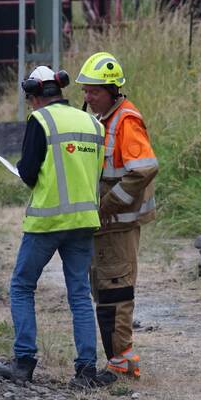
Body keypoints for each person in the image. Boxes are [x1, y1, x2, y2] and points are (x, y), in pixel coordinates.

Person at [0, 66, 117, 390]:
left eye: (30, 100)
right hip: (84, 221)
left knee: (21, 286)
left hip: (47, 221)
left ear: (34, 96)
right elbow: (96, 173)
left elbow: (29, 173)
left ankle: (24, 361)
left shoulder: (40, 121)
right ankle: (86, 369)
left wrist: (23, 172)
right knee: (80, 295)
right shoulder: (93, 123)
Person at [76, 52, 158, 379]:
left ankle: (121, 359)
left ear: (112, 90)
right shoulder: (103, 119)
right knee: (104, 287)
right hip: (106, 225)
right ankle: (118, 356)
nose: (87, 96)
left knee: (115, 288)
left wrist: (106, 205)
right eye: (85, 90)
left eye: (93, 91)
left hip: (117, 224)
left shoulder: (125, 121)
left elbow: (144, 169)